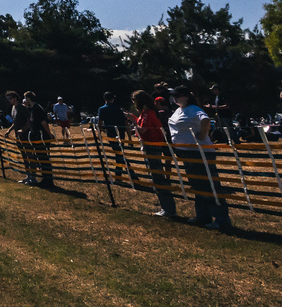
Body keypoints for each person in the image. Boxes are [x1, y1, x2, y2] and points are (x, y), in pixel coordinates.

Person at [168, 86, 231, 230]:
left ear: (186, 96)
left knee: (209, 185)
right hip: (186, 152)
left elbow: (206, 120)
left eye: (177, 95)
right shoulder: (179, 110)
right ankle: (203, 216)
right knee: (197, 185)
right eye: (173, 96)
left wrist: (203, 135)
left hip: (200, 152)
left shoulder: (194, 109)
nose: (174, 98)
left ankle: (221, 220)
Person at [132, 90, 177, 219]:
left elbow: (143, 129)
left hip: (152, 145)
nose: (134, 103)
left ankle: (168, 208)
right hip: (151, 145)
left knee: (157, 177)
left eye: (134, 101)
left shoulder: (148, 113)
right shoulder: (146, 113)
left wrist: (133, 123)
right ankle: (165, 206)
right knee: (155, 176)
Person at [97, 91, 131, 181]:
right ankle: (124, 175)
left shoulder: (102, 109)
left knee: (119, 154)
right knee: (119, 154)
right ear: (113, 99)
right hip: (121, 133)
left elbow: (100, 123)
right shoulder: (118, 108)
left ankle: (120, 176)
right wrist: (130, 137)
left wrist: (99, 135)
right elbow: (126, 122)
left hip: (111, 134)